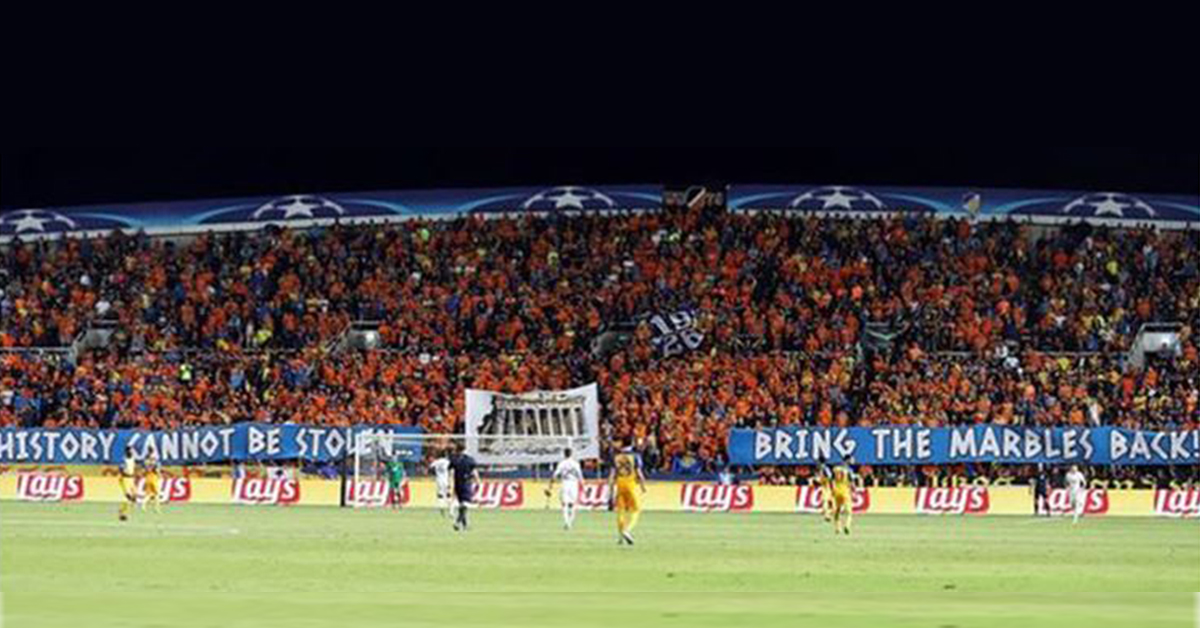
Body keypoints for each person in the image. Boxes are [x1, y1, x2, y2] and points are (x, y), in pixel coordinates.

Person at [609, 441, 647, 545]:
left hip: (620, 484)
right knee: (635, 510)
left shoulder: (615, 457)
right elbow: (639, 473)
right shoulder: (635, 457)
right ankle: (627, 530)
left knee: (620, 511)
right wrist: (643, 486)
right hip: (631, 485)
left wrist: (611, 491)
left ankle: (620, 536)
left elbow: (612, 476)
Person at [547, 447, 583, 530]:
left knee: (564, 504)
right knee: (573, 504)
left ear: (564, 454)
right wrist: (583, 485)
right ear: (571, 454)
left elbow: (555, 475)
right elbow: (580, 476)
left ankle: (566, 522)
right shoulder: (575, 463)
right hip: (574, 484)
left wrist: (551, 484)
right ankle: (570, 523)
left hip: (565, 483)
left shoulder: (562, 463)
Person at [448, 443, 481, 531]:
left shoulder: (453, 459)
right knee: (465, 505)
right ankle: (457, 522)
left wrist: (450, 484)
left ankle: (464, 525)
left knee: (462, 505)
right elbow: (474, 471)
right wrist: (478, 481)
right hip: (466, 483)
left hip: (457, 484)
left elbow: (450, 472)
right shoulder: (469, 460)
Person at [830, 456, 855, 535]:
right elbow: (852, 483)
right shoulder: (849, 470)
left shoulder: (835, 469)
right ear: (847, 460)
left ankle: (837, 528)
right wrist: (853, 490)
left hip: (836, 491)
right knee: (849, 512)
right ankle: (847, 526)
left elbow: (831, 480)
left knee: (837, 512)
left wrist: (832, 490)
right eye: (851, 459)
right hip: (845, 491)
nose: (853, 461)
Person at [430, 451, 453, 518]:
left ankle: (442, 512)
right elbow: (451, 471)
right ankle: (450, 512)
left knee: (440, 496)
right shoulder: (447, 462)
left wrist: (434, 473)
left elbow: (430, 467)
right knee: (448, 496)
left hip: (439, 481)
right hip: (446, 481)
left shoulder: (436, 461)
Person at [118, 445, 137, 521]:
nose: (132, 452)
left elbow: (133, 468)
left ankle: (124, 511)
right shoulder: (124, 460)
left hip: (131, 479)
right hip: (125, 479)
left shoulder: (133, 459)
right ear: (127, 451)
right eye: (131, 450)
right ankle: (122, 513)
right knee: (128, 496)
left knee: (134, 497)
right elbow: (121, 470)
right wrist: (127, 474)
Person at [816, 455, 834, 522]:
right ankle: (826, 512)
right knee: (825, 500)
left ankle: (827, 515)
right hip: (824, 486)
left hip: (827, 486)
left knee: (826, 500)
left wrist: (823, 480)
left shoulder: (825, 468)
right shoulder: (821, 469)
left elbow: (830, 477)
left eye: (818, 461)